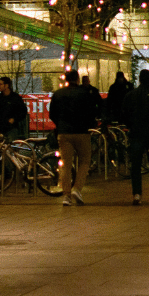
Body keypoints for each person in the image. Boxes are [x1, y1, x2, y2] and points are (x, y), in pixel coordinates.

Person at [49, 69, 96, 206]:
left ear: (65, 79)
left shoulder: (58, 94)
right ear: (77, 79)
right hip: (82, 131)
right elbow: (92, 111)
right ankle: (77, 188)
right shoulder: (85, 93)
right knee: (85, 161)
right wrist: (89, 124)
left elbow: (52, 114)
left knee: (66, 164)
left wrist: (60, 124)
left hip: (64, 132)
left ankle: (66, 195)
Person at [122, 68, 149, 204]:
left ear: (139, 79)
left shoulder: (131, 95)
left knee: (135, 165)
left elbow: (124, 115)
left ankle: (137, 194)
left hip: (136, 134)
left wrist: (131, 125)